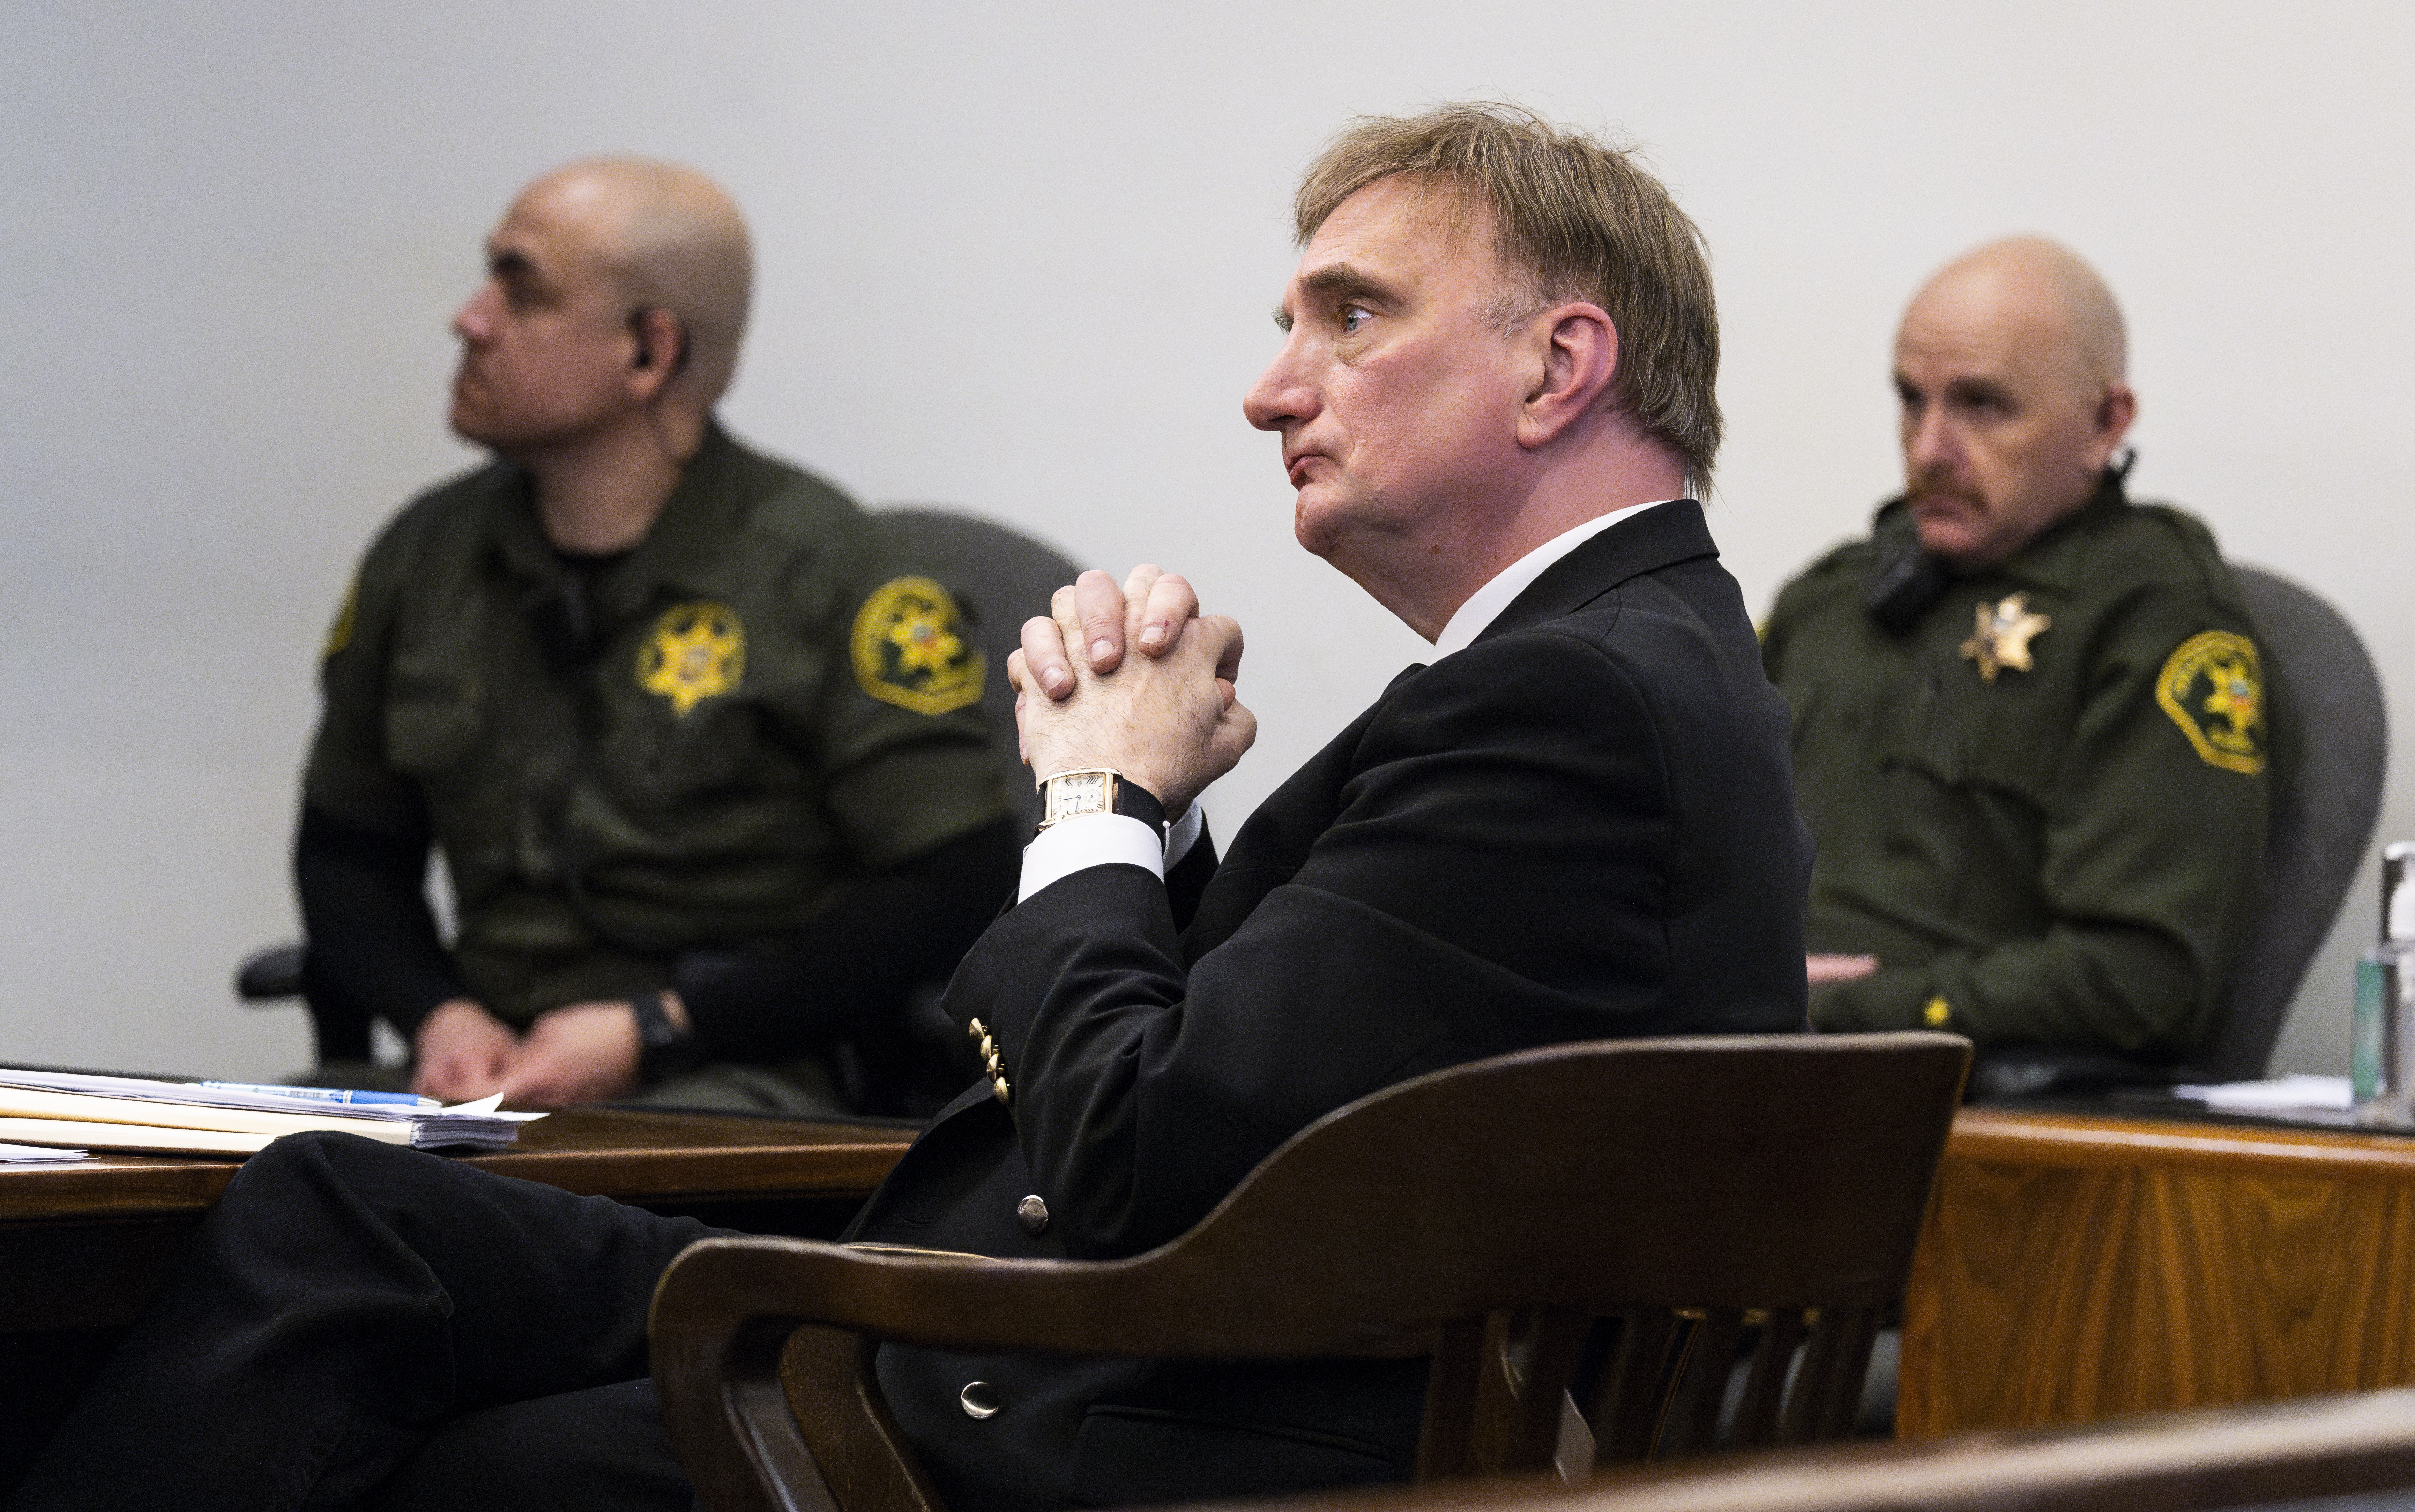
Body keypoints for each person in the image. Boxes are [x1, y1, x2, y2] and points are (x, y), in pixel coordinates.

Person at [12, 105, 1809, 1512]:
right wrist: (1157, 822)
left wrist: (1094, 796)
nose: (1270, 389)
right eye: (1287, 326)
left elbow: (1135, 1151)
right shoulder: (1625, 664)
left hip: (1075, 1393)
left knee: (416, 1404)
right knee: (348, 1213)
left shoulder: (1565, 697)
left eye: (1349, 317)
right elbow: (1297, 1074)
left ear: (1557, 367)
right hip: (1047, 1316)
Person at [295, 158, 1019, 1114]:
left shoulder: (833, 574)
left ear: (649, 351)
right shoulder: (426, 557)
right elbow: (348, 848)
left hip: (734, 1073)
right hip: (479, 1069)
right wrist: (438, 1015)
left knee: (469, 1218)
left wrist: (664, 1025)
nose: (470, 319)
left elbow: (948, 881)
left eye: (520, 289)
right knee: (239, 1187)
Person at [1761, 237, 2271, 1071]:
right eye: (1910, 399)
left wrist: (1839, 1007)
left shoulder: (2155, 617)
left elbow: (2144, 979)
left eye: (1981, 406)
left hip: (1954, 1116)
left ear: (2105, 424)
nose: (1928, 448)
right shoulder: (1829, 599)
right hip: (1730, 1073)